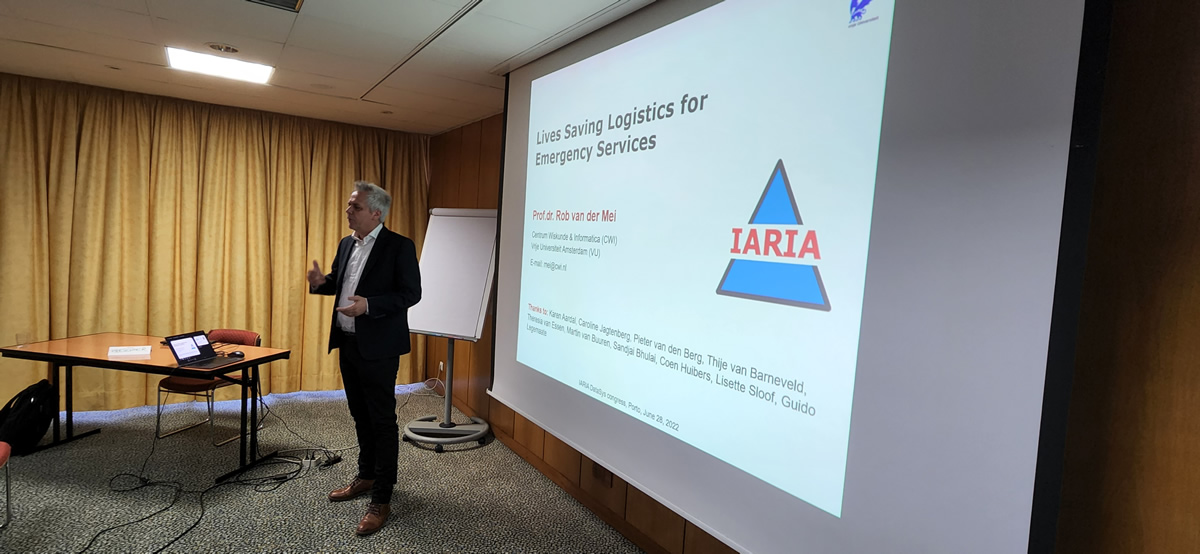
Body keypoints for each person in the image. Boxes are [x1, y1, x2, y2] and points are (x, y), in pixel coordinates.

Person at [307, 180, 421, 536]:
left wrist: (369, 305)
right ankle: (366, 475)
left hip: (380, 348)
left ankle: (382, 498)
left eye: (354, 206)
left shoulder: (399, 246)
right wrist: (320, 282)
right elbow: (339, 282)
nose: (348, 211)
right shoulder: (346, 244)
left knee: (382, 420)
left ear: (376, 213)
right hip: (348, 343)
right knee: (359, 414)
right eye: (349, 205)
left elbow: (411, 293)